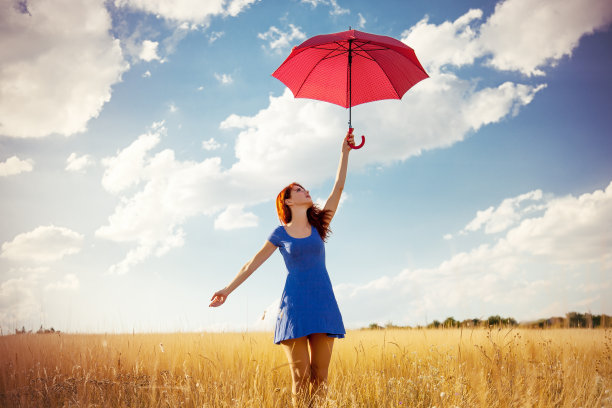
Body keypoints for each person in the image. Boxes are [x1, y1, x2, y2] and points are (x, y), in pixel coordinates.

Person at [209, 130, 355, 406]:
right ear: (288, 201)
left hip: (323, 303)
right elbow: (251, 263)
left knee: (320, 377)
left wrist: (344, 153)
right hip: (295, 307)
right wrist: (227, 290)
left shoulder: (318, 226)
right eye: (299, 190)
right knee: (300, 380)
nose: (306, 191)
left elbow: (338, 188)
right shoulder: (280, 233)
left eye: (305, 188)